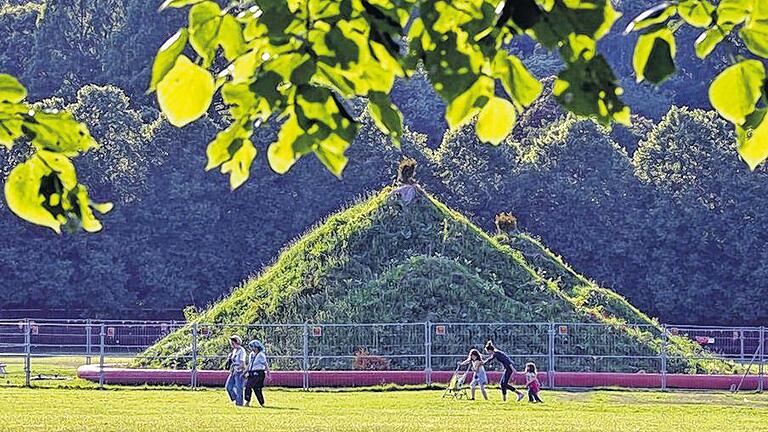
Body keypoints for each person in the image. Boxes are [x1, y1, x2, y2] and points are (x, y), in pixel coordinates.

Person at [244, 340, 271, 407]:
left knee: (255, 388)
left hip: (259, 373)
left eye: (252, 347)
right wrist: (245, 371)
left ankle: (261, 402)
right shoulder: (251, 355)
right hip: (252, 372)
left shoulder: (261, 355)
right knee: (249, 387)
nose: (251, 348)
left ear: (257, 347)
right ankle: (248, 401)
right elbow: (250, 364)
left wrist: (268, 374)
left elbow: (266, 365)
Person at [225, 335, 247, 406]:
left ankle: (239, 403)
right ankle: (235, 398)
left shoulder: (242, 351)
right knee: (228, 387)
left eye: (232, 343)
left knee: (239, 388)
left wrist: (237, 368)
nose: (231, 344)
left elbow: (242, 363)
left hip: (239, 371)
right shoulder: (234, 351)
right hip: (233, 371)